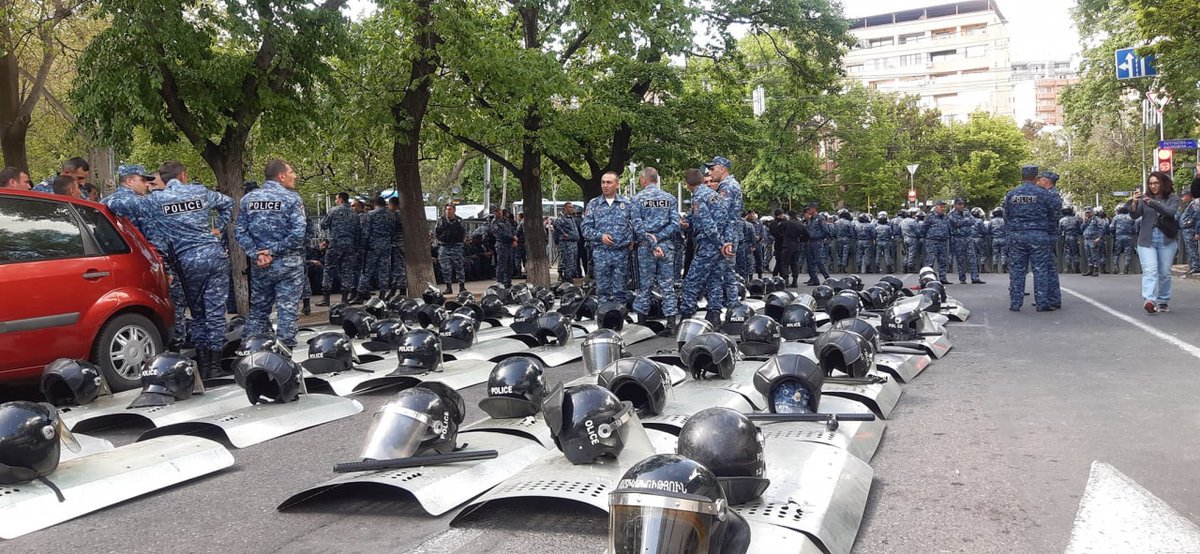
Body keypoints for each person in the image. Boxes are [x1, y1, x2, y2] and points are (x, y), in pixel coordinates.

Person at [140, 160, 233, 377]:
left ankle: (202, 364)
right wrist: (216, 228)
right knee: (216, 313)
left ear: (163, 179)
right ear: (183, 175)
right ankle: (215, 366)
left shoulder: (156, 200)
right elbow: (228, 203)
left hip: (187, 262)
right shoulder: (200, 192)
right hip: (214, 254)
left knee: (198, 314)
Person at [234, 159, 306, 348]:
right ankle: (285, 352)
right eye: (292, 172)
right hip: (288, 265)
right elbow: (298, 233)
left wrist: (258, 254)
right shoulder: (292, 198)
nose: (295, 176)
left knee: (258, 310)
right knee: (287, 310)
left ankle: (250, 349)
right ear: (281, 176)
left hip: (261, 266)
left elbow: (240, 232)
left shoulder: (248, 199)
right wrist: (273, 251)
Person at [1004, 165, 1058, 312]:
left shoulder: (1011, 194)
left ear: (1022, 177)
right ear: (1036, 177)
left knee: (1017, 270)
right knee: (1040, 269)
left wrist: (1011, 233)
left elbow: (1006, 216)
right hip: (1039, 236)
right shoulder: (1044, 194)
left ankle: (1015, 303)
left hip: (1017, 236)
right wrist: (1051, 234)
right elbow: (1053, 216)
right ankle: (1042, 303)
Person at [630, 167, 680, 330]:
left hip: (646, 247)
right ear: (656, 180)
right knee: (667, 284)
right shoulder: (670, 198)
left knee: (645, 285)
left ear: (643, 180)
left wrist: (652, 242)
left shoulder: (637, 199)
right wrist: (659, 239)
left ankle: (642, 323)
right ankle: (671, 323)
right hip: (666, 247)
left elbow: (637, 227)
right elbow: (675, 224)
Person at [1128, 171, 1181, 314]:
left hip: (1166, 239)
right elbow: (1134, 215)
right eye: (1150, 183)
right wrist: (1134, 201)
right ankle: (1149, 300)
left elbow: (1170, 212)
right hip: (1147, 240)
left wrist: (1153, 203)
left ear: (1162, 183)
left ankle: (1163, 300)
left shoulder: (1172, 198)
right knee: (1150, 270)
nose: (1153, 186)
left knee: (1164, 272)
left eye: (1156, 183)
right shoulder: (1144, 199)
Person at [679, 168, 727, 325]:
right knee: (714, 280)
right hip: (718, 244)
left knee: (691, 281)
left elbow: (708, 224)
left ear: (687, 184)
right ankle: (714, 315)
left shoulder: (698, 197)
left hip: (708, 244)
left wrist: (719, 244)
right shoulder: (714, 195)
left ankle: (686, 316)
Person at [582, 171, 634, 303]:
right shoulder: (594, 204)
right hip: (601, 253)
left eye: (609, 182)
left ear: (617, 184)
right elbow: (585, 228)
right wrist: (600, 236)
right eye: (603, 182)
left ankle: (618, 317)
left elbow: (636, 225)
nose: (605, 185)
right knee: (603, 291)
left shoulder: (627, 204)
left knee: (620, 291)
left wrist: (634, 239)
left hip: (621, 253)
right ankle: (603, 317)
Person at [704, 156, 741, 311]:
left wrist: (714, 236)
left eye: (713, 169)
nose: (710, 172)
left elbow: (721, 214)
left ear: (722, 168)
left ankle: (726, 307)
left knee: (721, 274)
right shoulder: (730, 185)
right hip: (730, 234)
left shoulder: (727, 187)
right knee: (727, 273)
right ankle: (732, 307)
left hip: (726, 236)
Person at [317, 192, 361, 306]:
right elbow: (358, 233)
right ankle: (344, 299)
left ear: (340, 199)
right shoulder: (354, 214)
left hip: (335, 244)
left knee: (329, 270)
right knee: (347, 272)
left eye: (336, 199)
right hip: (350, 246)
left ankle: (326, 298)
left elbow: (323, 225)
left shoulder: (333, 211)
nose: (336, 201)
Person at [355, 197, 393, 302]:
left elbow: (366, 232)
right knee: (383, 270)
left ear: (375, 204)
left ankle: (360, 294)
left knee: (366, 270)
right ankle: (382, 295)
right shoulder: (391, 215)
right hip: (386, 245)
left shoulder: (371, 214)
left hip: (372, 246)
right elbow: (392, 230)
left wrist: (362, 247)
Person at [1036, 172, 1062, 310]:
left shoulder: (1051, 195)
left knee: (1047, 267)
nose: (1038, 182)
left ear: (1046, 181)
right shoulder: (1051, 194)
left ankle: (1051, 298)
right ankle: (1049, 297)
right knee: (1047, 266)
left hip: (1048, 234)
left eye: (1040, 180)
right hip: (1048, 233)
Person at [949, 198, 984, 284]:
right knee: (960, 259)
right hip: (958, 239)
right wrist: (965, 221)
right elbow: (956, 223)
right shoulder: (951, 214)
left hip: (968, 237)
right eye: (959, 204)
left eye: (962, 204)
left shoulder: (967, 212)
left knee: (972, 258)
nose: (961, 206)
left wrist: (964, 221)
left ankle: (975, 278)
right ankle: (962, 278)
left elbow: (973, 221)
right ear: (955, 205)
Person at [435, 204, 467, 293]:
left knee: (459, 267)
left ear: (454, 210)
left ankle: (462, 287)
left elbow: (464, 233)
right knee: (445, 269)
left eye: (450, 209)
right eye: (447, 209)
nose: (448, 211)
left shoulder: (460, 221)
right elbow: (436, 233)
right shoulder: (440, 221)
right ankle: (448, 287)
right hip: (444, 247)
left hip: (457, 246)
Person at [922, 200, 952, 284]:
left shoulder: (945, 217)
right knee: (930, 260)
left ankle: (943, 278)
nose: (943, 209)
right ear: (936, 207)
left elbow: (949, 228)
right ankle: (927, 278)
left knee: (943, 261)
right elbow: (924, 228)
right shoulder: (930, 217)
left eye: (944, 207)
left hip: (943, 242)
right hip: (932, 241)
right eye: (941, 207)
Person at [552, 203, 580, 283]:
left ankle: (570, 277)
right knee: (568, 262)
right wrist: (563, 234)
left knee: (573, 262)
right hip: (567, 244)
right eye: (570, 207)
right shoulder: (562, 218)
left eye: (572, 207)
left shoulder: (571, 218)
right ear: (565, 208)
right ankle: (566, 279)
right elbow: (556, 225)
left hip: (573, 243)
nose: (572, 209)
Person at [804, 203, 831, 284]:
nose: (808, 211)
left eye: (809, 209)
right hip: (810, 242)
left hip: (817, 242)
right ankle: (814, 279)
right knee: (810, 262)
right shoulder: (810, 219)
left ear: (814, 209)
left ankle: (827, 278)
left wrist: (820, 237)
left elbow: (825, 231)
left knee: (819, 261)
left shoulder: (820, 218)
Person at [1177, 179, 1200, 276]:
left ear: (1189, 195)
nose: (1182, 198)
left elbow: (1197, 215)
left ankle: (1195, 266)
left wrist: (1189, 222)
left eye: (1183, 196)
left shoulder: (1194, 204)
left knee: (1192, 249)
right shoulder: (1189, 204)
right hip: (1186, 230)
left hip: (1190, 230)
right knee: (1189, 249)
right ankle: (1192, 266)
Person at [490, 208, 516, 287]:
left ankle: (508, 282)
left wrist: (513, 238)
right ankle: (500, 282)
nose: (499, 213)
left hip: (509, 245)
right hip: (502, 244)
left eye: (500, 211)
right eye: (497, 211)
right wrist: (512, 238)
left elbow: (512, 230)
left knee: (509, 264)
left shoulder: (506, 220)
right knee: (501, 264)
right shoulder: (494, 222)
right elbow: (499, 234)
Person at [387, 197, 407, 297]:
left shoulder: (394, 215)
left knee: (398, 268)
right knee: (401, 267)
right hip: (404, 243)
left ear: (392, 205)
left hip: (396, 244)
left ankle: (401, 290)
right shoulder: (406, 215)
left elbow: (390, 230)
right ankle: (397, 289)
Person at [1111, 203, 1137, 274]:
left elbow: (1112, 228)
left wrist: (1114, 234)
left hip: (1118, 237)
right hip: (1128, 237)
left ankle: (1116, 267)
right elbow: (1134, 229)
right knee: (1127, 253)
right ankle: (1126, 268)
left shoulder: (1116, 217)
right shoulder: (1131, 217)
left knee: (1116, 253)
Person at [1081, 206, 1106, 276]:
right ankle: (1090, 269)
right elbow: (1081, 229)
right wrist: (1084, 222)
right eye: (1086, 213)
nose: (1087, 214)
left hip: (1093, 239)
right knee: (1088, 255)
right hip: (1086, 239)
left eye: (1088, 212)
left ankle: (1096, 269)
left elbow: (1102, 229)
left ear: (1092, 212)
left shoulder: (1097, 220)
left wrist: (1099, 238)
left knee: (1094, 254)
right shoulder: (1086, 220)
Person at [1059, 206, 1083, 273]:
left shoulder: (1061, 220)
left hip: (1066, 237)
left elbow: (1059, 231)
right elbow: (1079, 230)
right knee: (1075, 253)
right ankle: (1077, 268)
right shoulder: (1076, 219)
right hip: (1074, 237)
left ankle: (1069, 267)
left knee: (1067, 252)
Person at [901, 208, 924, 272]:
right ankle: (910, 267)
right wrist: (920, 236)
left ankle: (905, 266)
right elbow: (917, 231)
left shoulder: (902, 221)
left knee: (907, 253)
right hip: (912, 238)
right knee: (912, 253)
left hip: (905, 238)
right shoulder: (912, 221)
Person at [874, 211, 895, 275]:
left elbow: (874, 235)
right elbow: (890, 234)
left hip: (879, 242)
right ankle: (889, 268)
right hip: (886, 242)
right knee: (887, 255)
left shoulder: (876, 227)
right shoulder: (888, 227)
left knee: (878, 255)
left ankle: (877, 267)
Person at [989, 207, 1007, 272]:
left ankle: (995, 268)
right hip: (1003, 238)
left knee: (995, 253)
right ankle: (1003, 268)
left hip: (995, 239)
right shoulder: (1004, 220)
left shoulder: (991, 221)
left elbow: (989, 230)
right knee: (1003, 253)